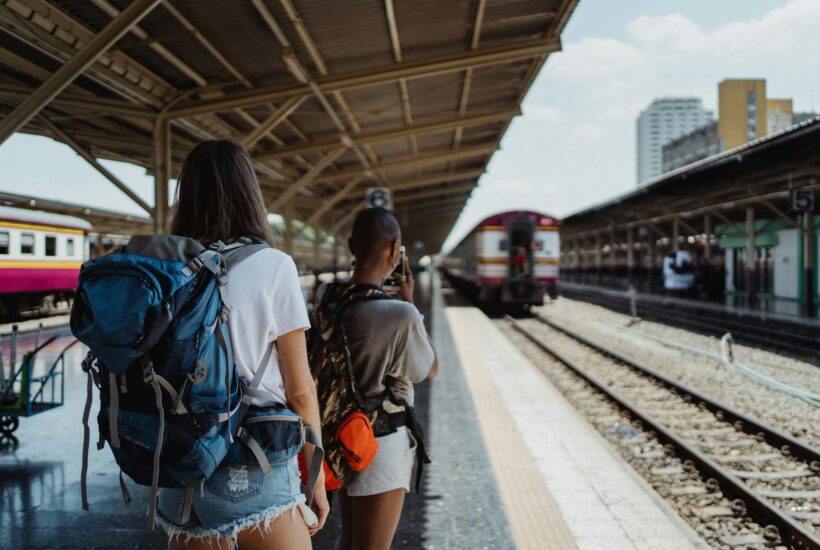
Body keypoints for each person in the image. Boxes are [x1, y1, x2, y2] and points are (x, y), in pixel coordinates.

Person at [156, 140, 329, 549]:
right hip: (253, 466)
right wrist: (316, 478)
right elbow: (300, 390)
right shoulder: (273, 266)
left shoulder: (165, 269)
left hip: (178, 469)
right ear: (249, 194)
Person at [314, 208, 436, 550]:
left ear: (352, 246)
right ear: (395, 249)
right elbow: (428, 369)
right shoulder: (401, 314)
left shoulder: (327, 299)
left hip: (338, 436)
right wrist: (411, 304)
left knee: (347, 540)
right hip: (380, 440)